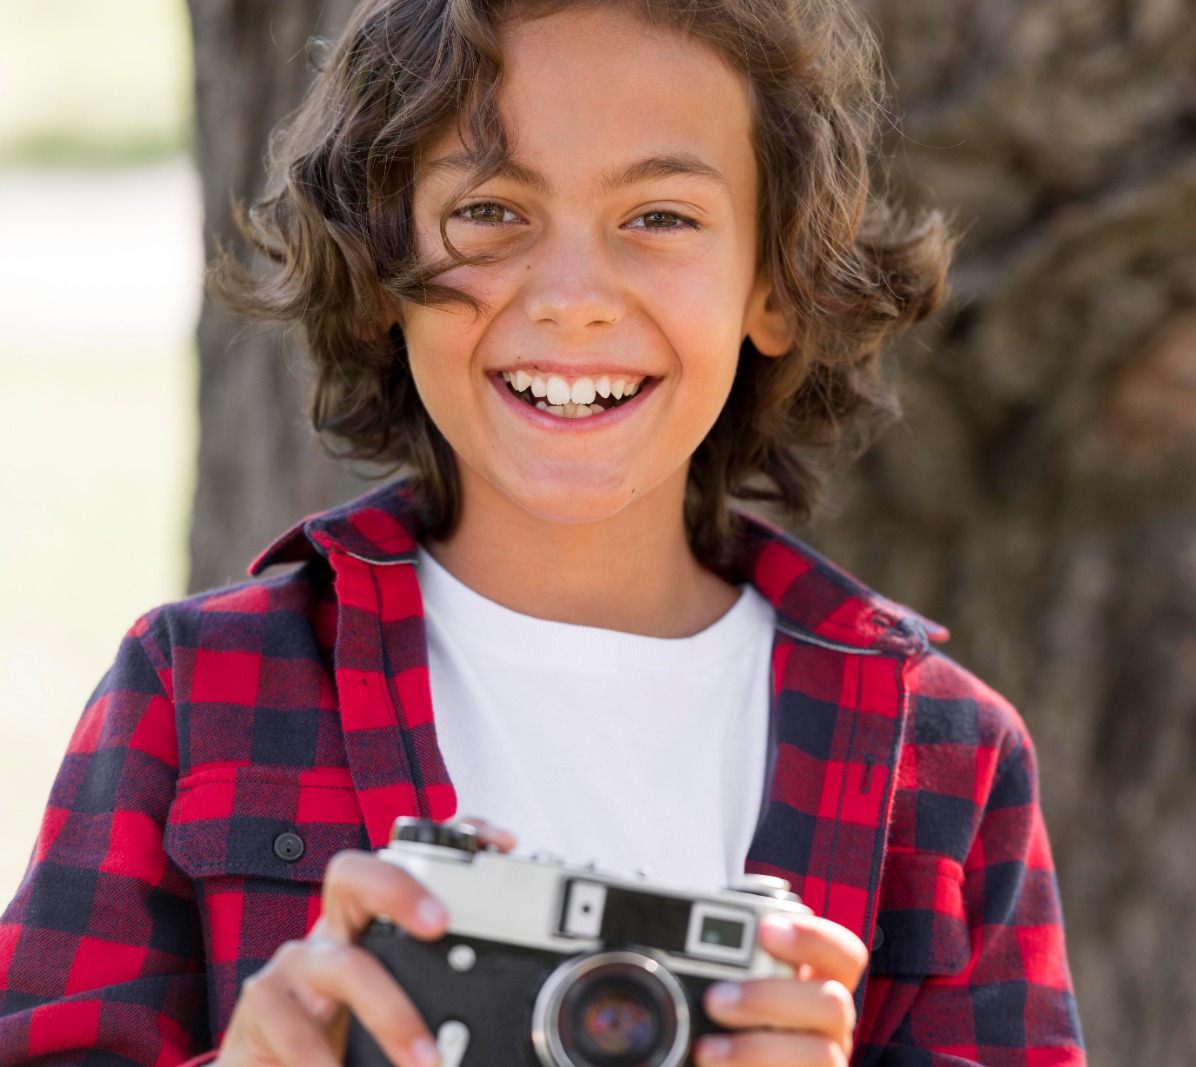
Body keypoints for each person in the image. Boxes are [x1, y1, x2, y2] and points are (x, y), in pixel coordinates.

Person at [0, 0, 1087, 1065]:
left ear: (773, 284)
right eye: (490, 211)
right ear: (384, 270)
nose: (573, 298)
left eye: (660, 216)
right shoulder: (199, 689)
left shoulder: (942, 760)